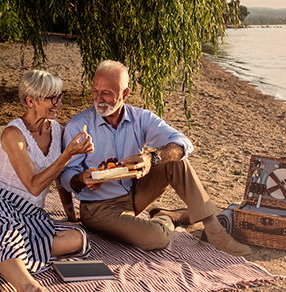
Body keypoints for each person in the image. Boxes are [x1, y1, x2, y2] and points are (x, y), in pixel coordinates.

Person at [60, 60, 251, 256]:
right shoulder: (78, 126)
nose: (98, 99)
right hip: (99, 208)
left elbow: (183, 142)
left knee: (176, 160)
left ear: (125, 94)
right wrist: (81, 179)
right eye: (95, 91)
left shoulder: (140, 118)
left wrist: (153, 157)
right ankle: (166, 217)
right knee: (157, 238)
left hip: (135, 193)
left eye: (107, 93)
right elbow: (66, 176)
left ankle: (214, 230)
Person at [0, 70, 94, 292]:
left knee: (78, 238)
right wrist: (68, 154)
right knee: (9, 237)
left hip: (31, 212)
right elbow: (35, 185)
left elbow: (56, 176)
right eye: (51, 98)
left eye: (60, 96)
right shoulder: (13, 134)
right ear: (30, 101)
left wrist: (70, 213)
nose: (58, 103)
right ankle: (30, 287)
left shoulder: (56, 130)